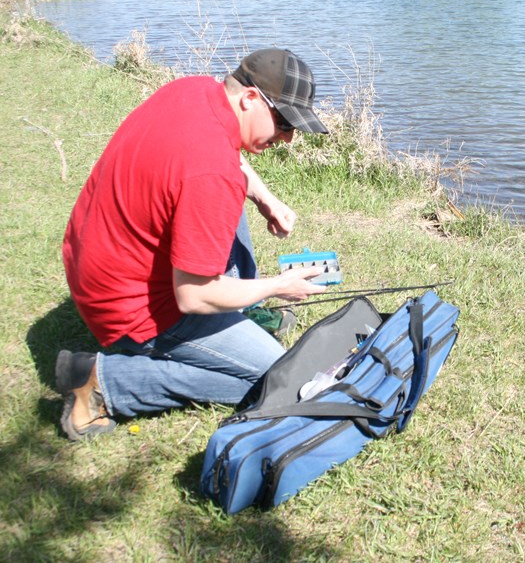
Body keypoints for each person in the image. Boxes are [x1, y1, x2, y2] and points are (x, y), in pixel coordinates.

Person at [56, 48, 330, 440]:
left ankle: (239, 318)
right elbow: (193, 296)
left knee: (228, 193)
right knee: (278, 377)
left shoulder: (196, 90)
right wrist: (277, 285)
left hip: (93, 260)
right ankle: (105, 381)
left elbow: (229, 161)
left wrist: (265, 198)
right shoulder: (210, 173)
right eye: (285, 122)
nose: (287, 138)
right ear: (251, 98)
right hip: (130, 308)